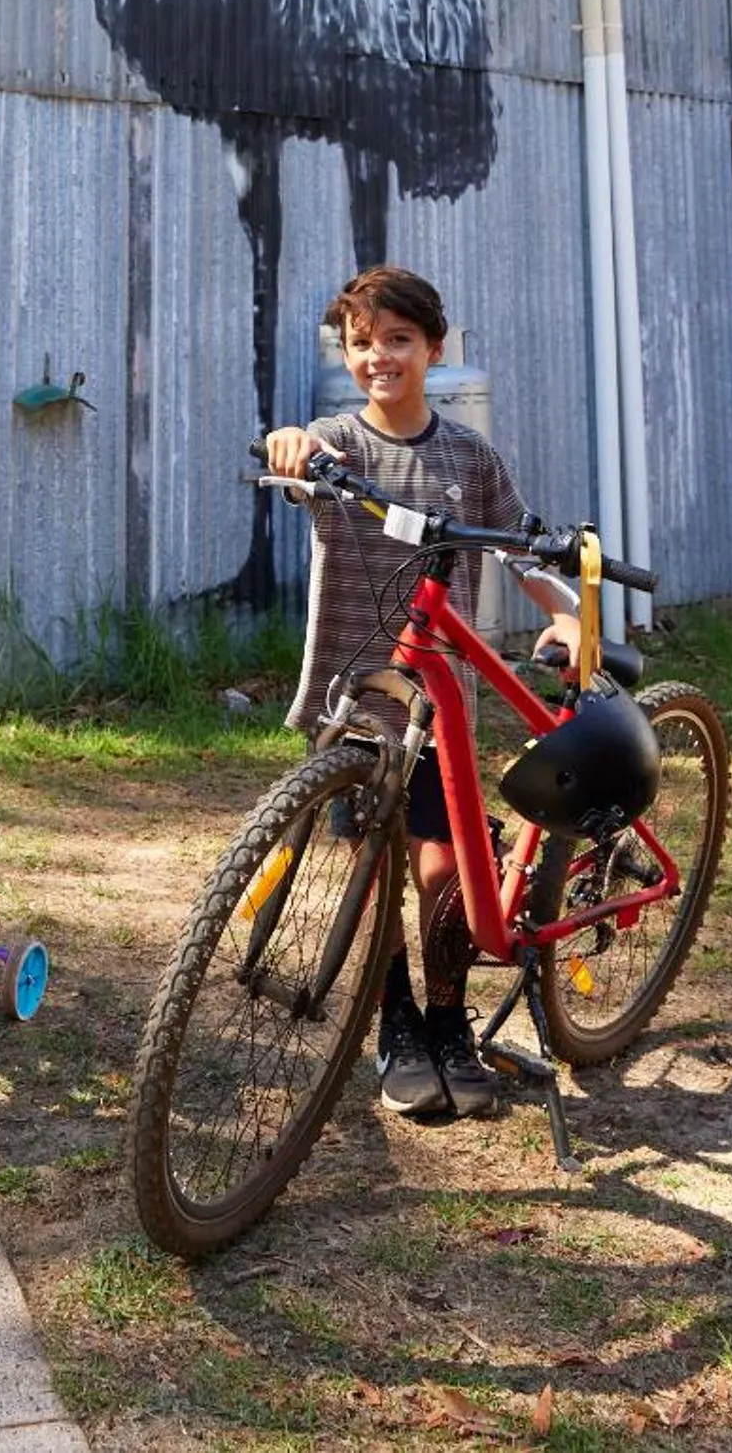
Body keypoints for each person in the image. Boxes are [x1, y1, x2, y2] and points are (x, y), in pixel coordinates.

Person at [263, 265, 580, 1125]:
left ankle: (448, 1021)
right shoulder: (339, 446)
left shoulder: (468, 458)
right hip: (354, 699)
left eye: (398, 341)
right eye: (362, 344)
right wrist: (290, 445)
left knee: (441, 871)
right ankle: (392, 1023)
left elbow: (522, 548)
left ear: (433, 349)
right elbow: (297, 460)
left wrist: (570, 615)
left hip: (438, 705)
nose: (379, 358)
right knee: (373, 875)